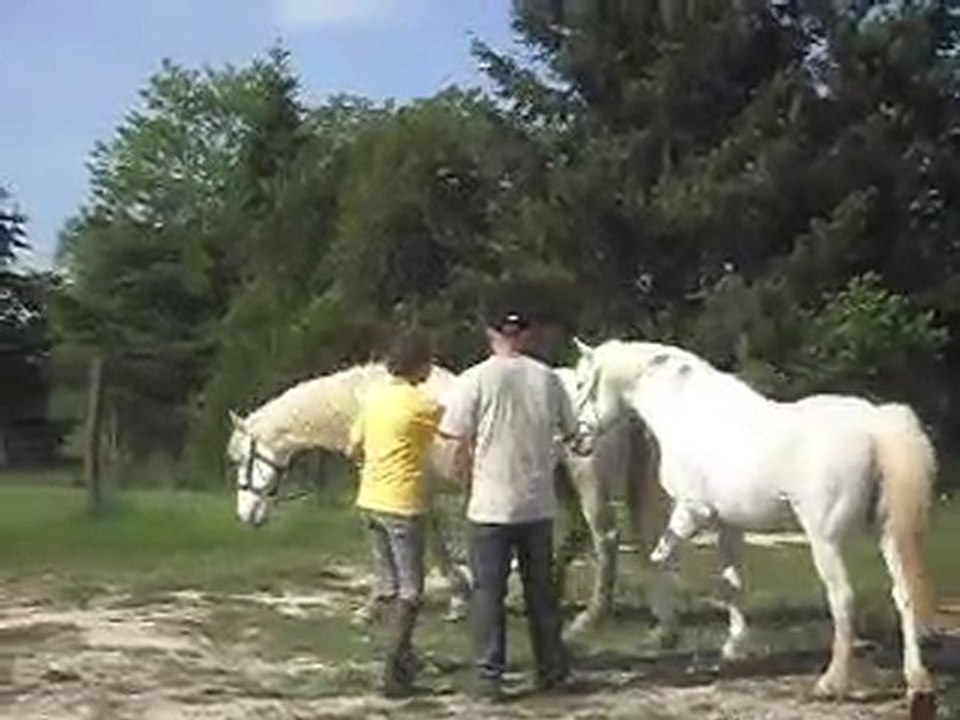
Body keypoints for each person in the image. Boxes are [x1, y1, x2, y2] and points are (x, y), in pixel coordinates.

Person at [438, 310, 579, 700]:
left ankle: (490, 677)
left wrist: (459, 476)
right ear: (528, 334)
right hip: (537, 502)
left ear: (490, 334)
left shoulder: (474, 379)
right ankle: (551, 669)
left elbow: (452, 436)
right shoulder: (548, 378)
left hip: (490, 503)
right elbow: (572, 432)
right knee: (541, 592)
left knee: (488, 593)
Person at [347, 328, 443, 698]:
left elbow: (353, 448)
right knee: (412, 591)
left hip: (370, 500)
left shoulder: (374, 399)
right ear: (420, 365)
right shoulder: (423, 406)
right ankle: (393, 666)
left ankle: (399, 655)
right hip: (403, 504)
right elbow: (453, 436)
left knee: (387, 585)